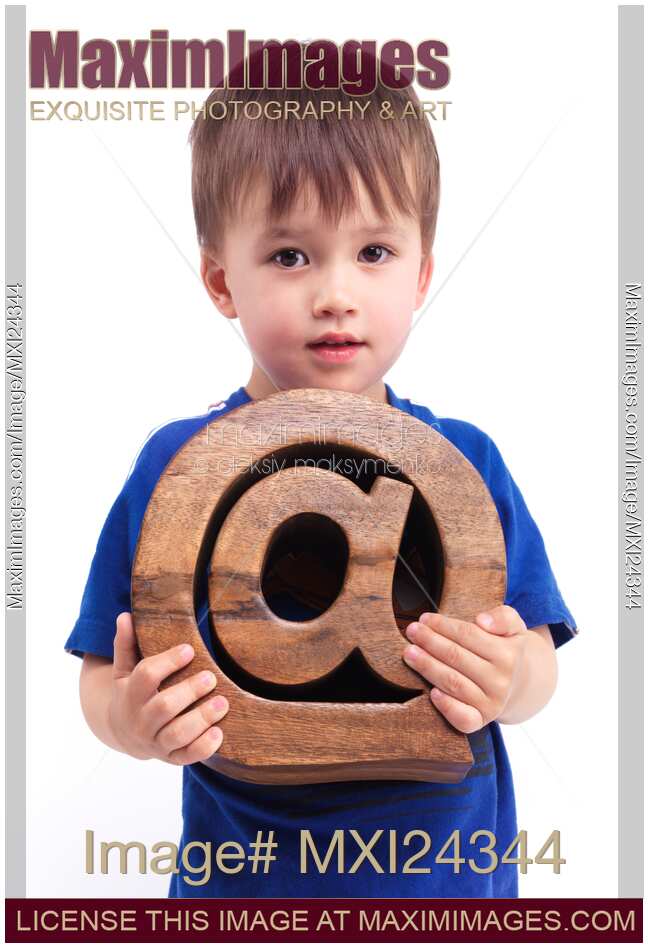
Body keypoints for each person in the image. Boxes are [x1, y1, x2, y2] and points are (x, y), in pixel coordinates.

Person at [65, 62, 578, 898]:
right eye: (291, 254)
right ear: (222, 280)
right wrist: (129, 722)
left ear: (419, 274)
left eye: (373, 252)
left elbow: (538, 656)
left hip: (442, 896)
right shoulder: (176, 468)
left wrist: (510, 677)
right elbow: (100, 670)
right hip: (246, 890)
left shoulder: (467, 461)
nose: (336, 295)